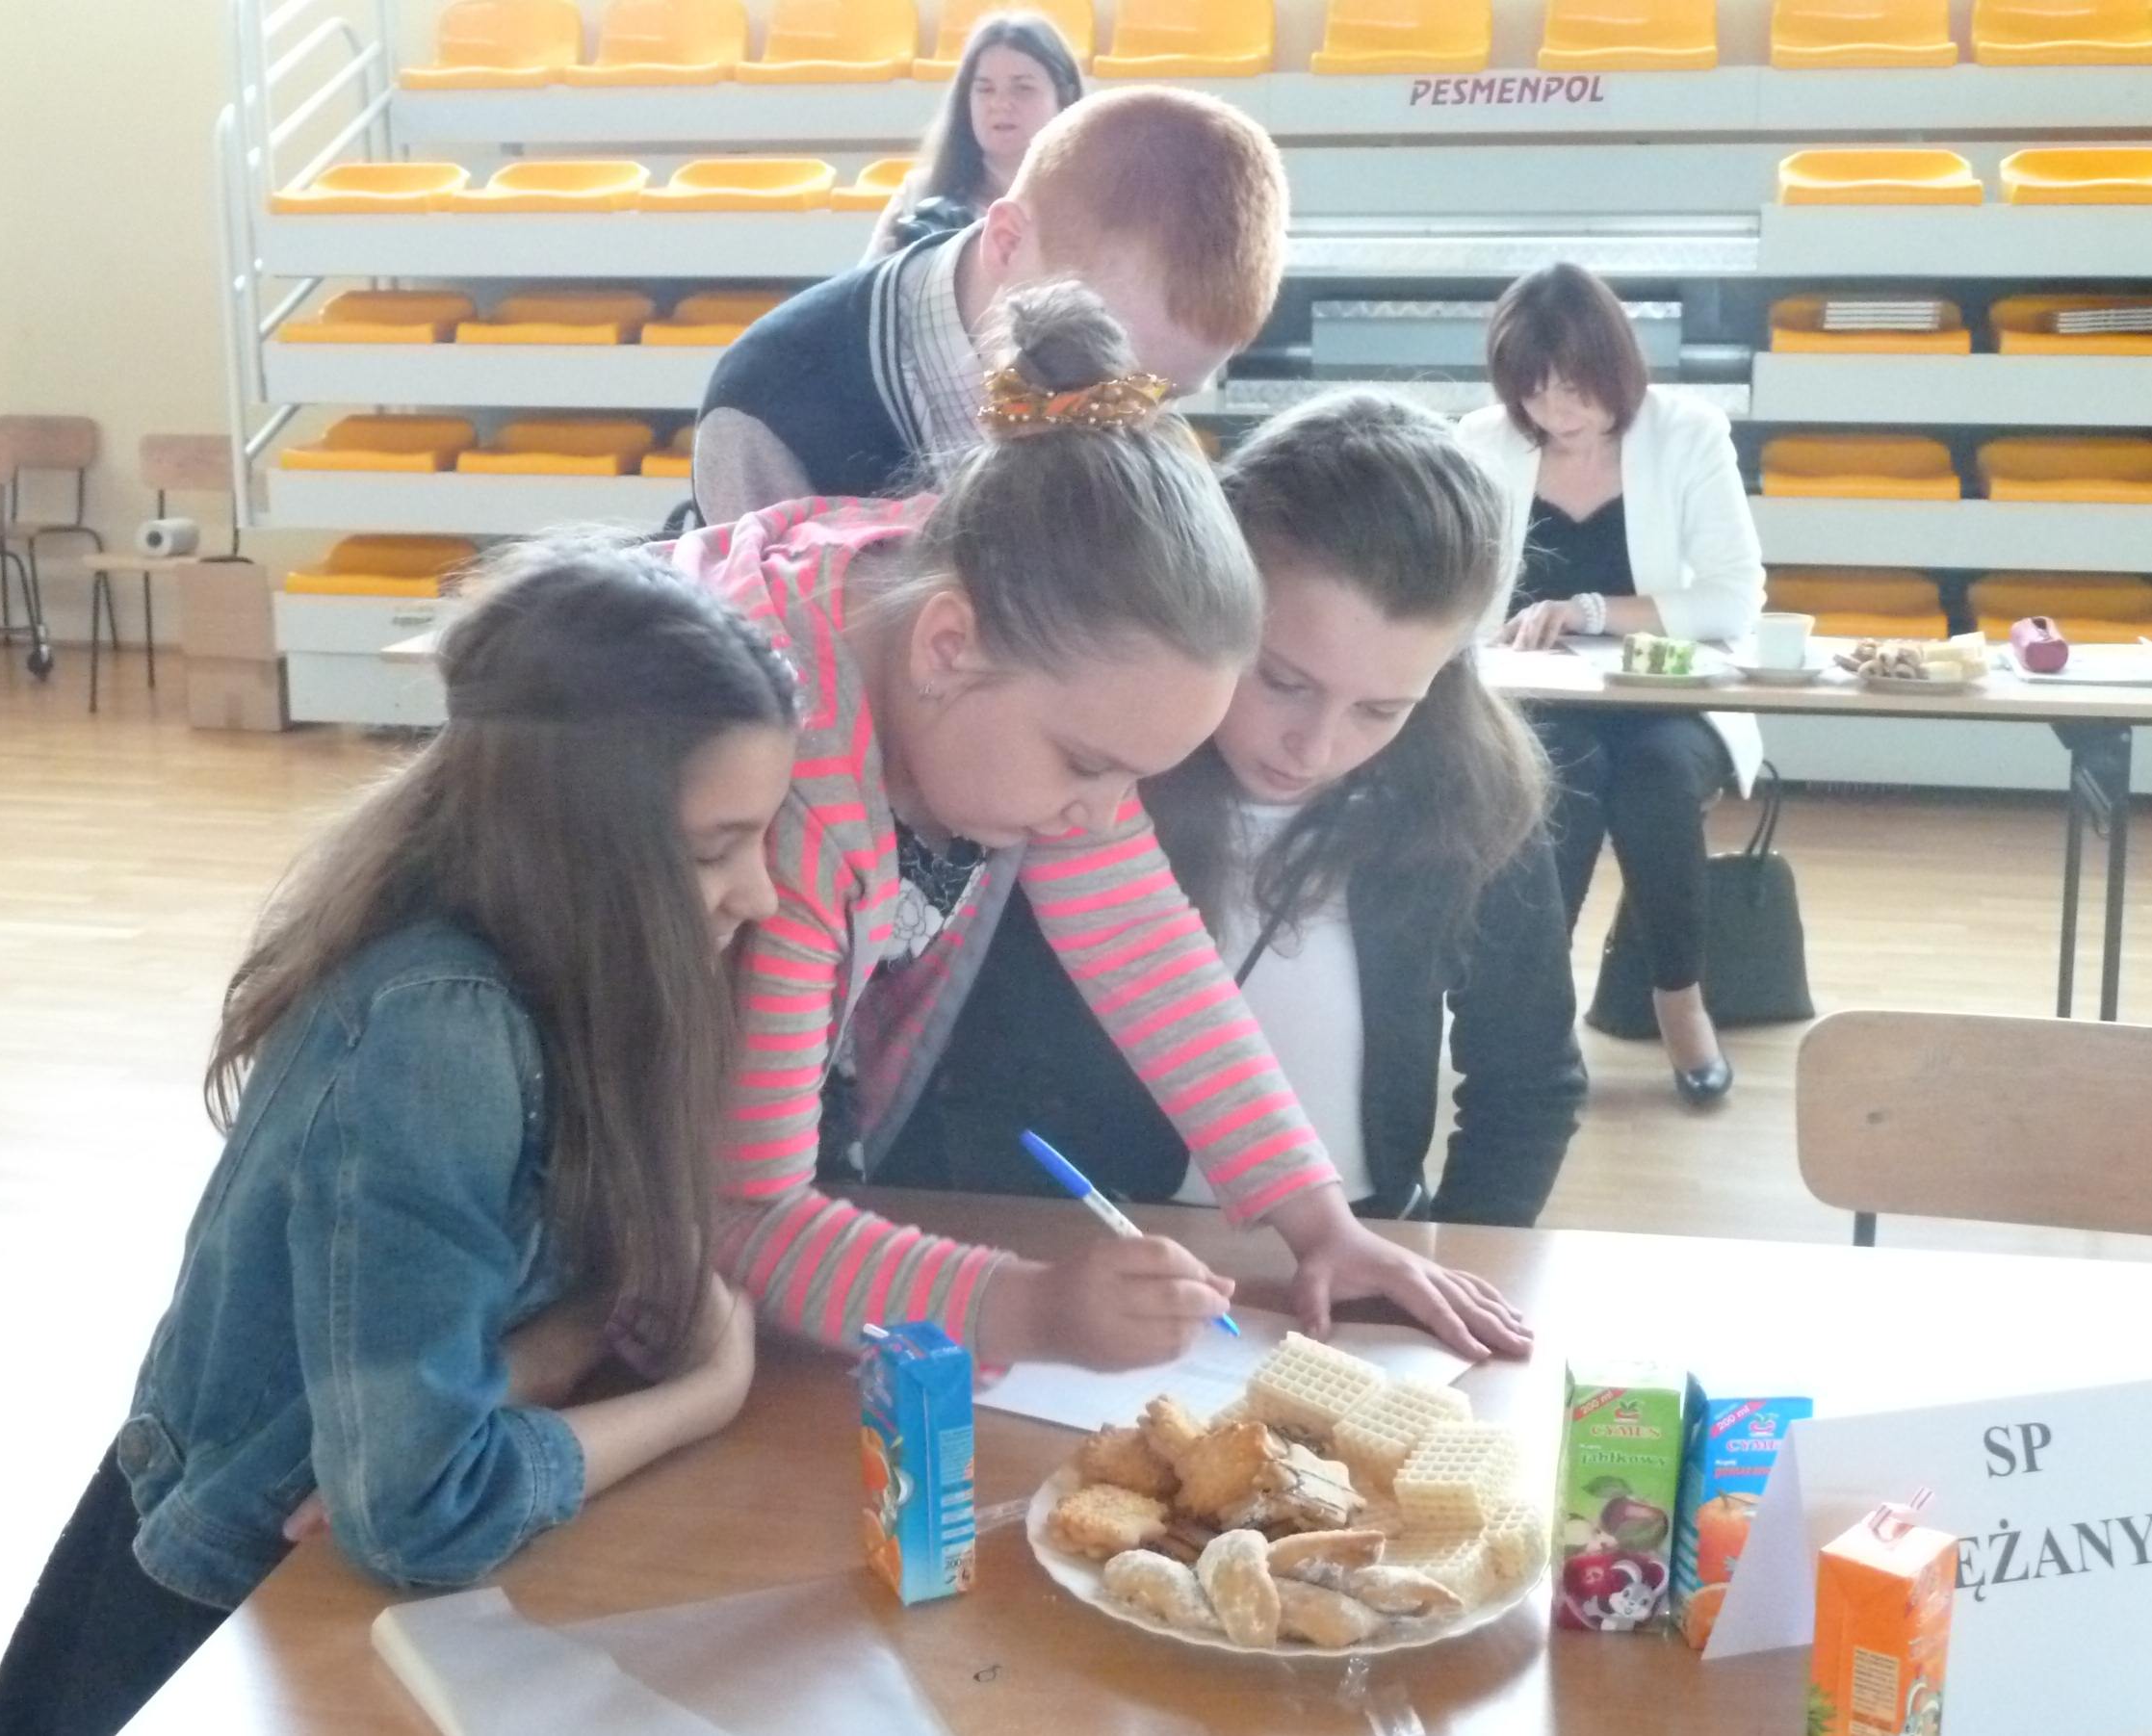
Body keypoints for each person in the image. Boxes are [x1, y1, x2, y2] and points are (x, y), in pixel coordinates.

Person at [0, 543, 798, 1736]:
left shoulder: (567, 971)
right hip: (226, 1615)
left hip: (320, 1583)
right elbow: (421, 1516)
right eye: (715, 848)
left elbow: (471, 1366)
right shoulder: (435, 1033)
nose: (760, 893)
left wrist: (546, 1353)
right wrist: (707, 1394)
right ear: (577, 844)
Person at [666, 284, 1532, 1372]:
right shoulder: (795, 805)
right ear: (947, 647)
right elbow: (741, 1217)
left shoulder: (983, 599)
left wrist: (1321, 1222)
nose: (1094, 817)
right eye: (1087, 767)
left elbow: (1143, 948)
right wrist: (1027, 1311)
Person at [881, 392, 1586, 1228]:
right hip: (1093, 1235)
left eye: (1380, 710)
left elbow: (1527, 1087)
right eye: (1282, 681)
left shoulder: (1473, 799)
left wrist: (1457, 1255)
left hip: (1364, 1232)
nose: (1313, 748)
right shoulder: (1081, 774)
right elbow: (984, 1074)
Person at [1458, 262, 1766, 1107]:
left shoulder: (1686, 432)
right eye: (1533, 392)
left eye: (1573, 387)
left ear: (1615, 365)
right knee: (1560, 774)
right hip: (1533, 699)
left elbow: (1733, 597)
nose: (1555, 412)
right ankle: (1536, 1013)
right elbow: (1455, 591)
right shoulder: (1482, 441)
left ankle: (1679, 1003)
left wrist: (1591, 609)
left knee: (1656, 780)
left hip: (1669, 696)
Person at [694, 85, 1287, 523]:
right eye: (1103, 384)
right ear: (1006, 240)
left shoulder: (1148, 365)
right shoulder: (768, 408)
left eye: (1162, 397)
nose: (1124, 421)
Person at [866, 13, 1082, 261]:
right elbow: (865, 284)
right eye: (985, 89)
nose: (1000, 103)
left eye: (1023, 88)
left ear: (1065, 97)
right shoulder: (918, 195)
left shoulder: (1097, 200)